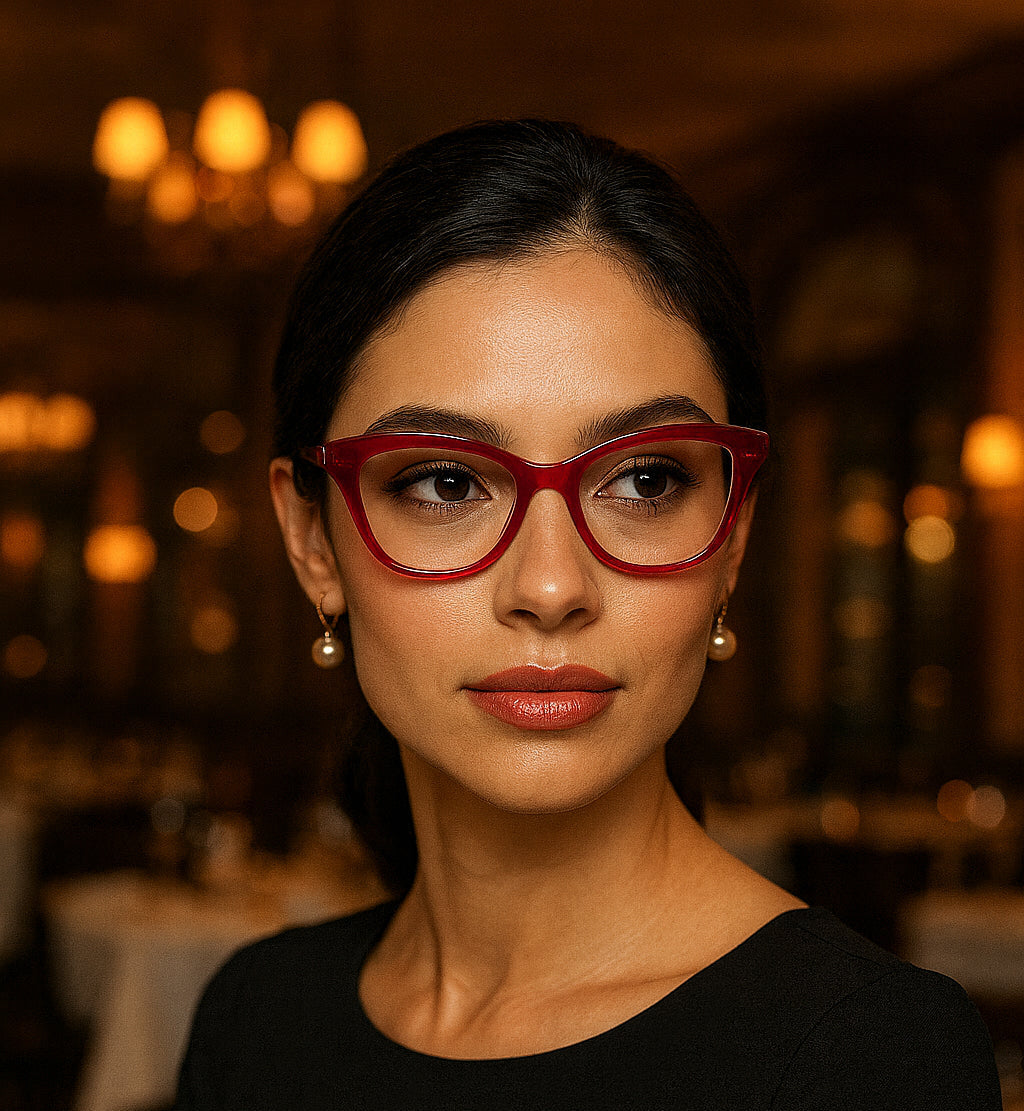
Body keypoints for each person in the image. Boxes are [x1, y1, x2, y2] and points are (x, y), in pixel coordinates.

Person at [174, 119, 1000, 1110]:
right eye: (444, 482)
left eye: (644, 479)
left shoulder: (866, 1054)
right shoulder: (256, 1016)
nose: (551, 586)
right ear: (313, 541)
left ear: (733, 535)